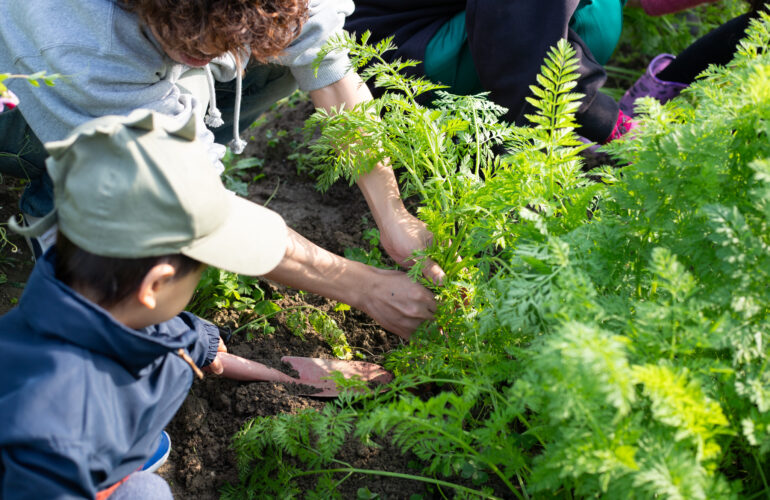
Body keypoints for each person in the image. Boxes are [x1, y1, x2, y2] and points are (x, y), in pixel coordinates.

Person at [0, 0, 437, 339]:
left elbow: (330, 67)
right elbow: (188, 205)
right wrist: (363, 287)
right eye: (195, 45)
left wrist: (393, 214)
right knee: (140, 184)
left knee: (281, 55)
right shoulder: (82, 38)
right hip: (22, 81)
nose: (217, 55)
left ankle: (180, 133)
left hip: (129, 50)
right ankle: (68, 205)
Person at [0, 109, 290, 498]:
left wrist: (209, 345)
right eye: (198, 270)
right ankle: (111, 477)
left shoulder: (91, 300)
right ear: (155, 285)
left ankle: (118, 460)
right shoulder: (58, 428)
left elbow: (160, 329)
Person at [344, 0, 636, 145]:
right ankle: (494, 139)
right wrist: (612, 124)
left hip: (462, 22)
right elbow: (514, 38)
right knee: (596, 19)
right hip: (399, 51)